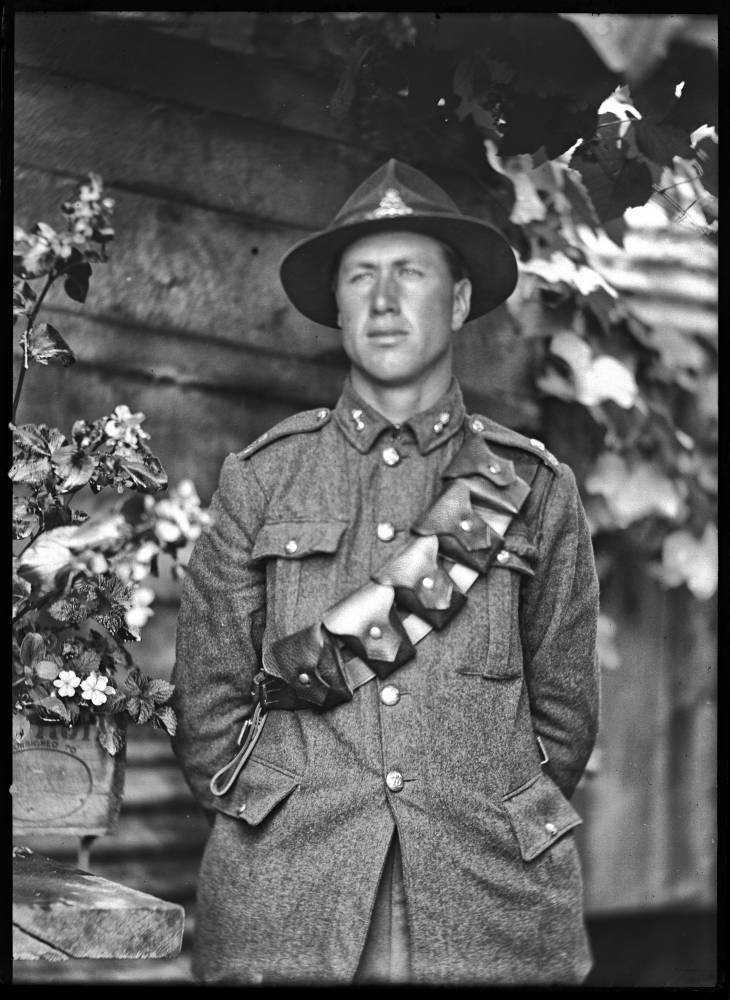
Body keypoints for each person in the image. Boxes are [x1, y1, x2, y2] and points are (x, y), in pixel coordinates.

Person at [171, 158, 600, 986]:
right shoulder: (261, 479)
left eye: (410, 273)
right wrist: (286, 806)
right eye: (360, 276)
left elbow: (565, 718)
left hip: (485, 901)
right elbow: (210, 712)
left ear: (462, 298)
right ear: (336, 306)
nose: (383, 300)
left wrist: (476, 793)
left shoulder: (533, 489)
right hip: (293, 899)